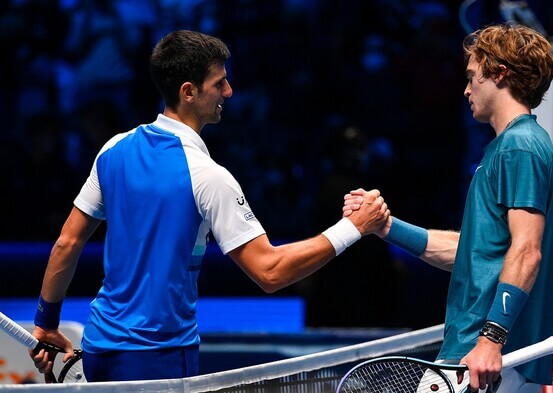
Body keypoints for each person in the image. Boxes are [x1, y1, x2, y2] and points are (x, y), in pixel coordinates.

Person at [30, 30, 389, 383]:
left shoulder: (113, 150)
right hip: (160, 359)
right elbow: (270, 271)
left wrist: (46, 322)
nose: (228, 92)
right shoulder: (207, 175)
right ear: (189, 92)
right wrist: (353, 228)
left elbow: (67, 243)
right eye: (219, 84)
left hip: (100, 351)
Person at [344, 23, 553, 392]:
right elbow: (473, 254)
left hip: (481, 358)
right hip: (494, 361)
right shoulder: (516, 145)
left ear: (500, 74)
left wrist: (490, 341)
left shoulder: (519, 146)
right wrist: (386, 226)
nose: (465, 88)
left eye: (472, 76)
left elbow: (527, 251)